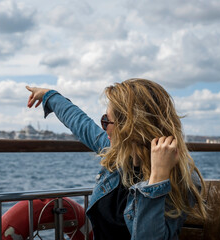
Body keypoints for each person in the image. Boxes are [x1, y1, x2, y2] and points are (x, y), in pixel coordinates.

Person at [26, 78, 207, 239]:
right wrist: (49, 96)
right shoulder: (119, 154)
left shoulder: (177, 180)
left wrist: (158, 178)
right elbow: (81, 123)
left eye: (107, 121)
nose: (104, 128)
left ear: (131, 126)